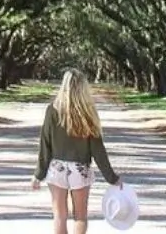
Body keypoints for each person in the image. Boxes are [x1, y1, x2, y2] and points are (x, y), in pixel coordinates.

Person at [31, 69, 122, 234]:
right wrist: (112, 178)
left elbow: (45, 144)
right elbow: (98, 150)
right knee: (80, 217)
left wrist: (39, 174)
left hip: (57, 168)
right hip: (80, 171)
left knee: (59, 216)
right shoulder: (88, 113)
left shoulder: (52, 110)